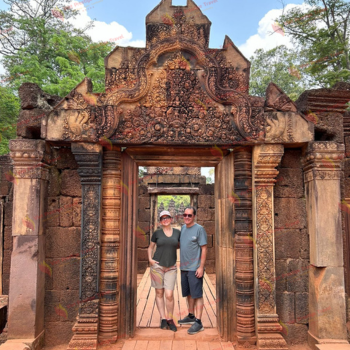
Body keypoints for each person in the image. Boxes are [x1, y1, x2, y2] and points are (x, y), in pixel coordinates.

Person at [147, 210, 181, 332]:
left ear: (171, 219)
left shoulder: (177, 233)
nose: (165, 220)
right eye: (162, 218)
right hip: (157, 266)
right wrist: (150, 259)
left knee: (169, 294)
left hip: (171, 267)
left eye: (167, 217)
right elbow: (150, 247)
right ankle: (162, 318)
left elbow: (180, 245)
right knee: (159, 293)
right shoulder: (157, 233)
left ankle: (170, 318)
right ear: (160, 221)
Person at [178, 207, 207, 335]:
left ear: (194, 216)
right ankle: (191, 315)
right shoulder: (183, 228)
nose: (187, 217)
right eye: (185, 215)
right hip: (184, 267)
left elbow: (204, 248)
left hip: (195, 267)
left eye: (189, 215)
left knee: (197, 294)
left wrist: (201, 267)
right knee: (188, 293)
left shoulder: (199, 229)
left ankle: (199, 322)